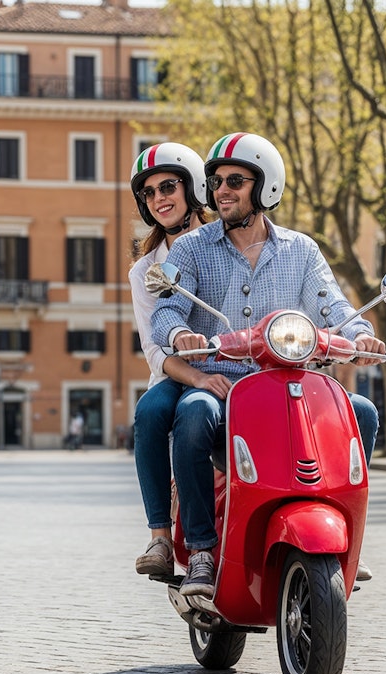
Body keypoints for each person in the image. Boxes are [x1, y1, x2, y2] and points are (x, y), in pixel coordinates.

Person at [150, 132, 383, 596]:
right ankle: (199, 549)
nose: (222, 191)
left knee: (361, 413)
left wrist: (359, 335)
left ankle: (345, 532)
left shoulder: (301, 249)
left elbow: (332, 303)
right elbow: (166, 310)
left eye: (235, 180)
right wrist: (181, 335)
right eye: (216, 182)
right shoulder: (193, 248)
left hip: (289, 383)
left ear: (266, 186)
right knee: (192, 414)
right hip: (223, 383)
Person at [126, 142, 217, 577]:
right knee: (150, 412)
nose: (159, 198)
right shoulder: (144, 269)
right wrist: (198, 378)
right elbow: (154, 350)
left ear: (193, 188)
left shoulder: (224, 243)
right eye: (149, 193)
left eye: (168, 186)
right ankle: (160, 535)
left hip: (231, 366)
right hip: (177, 372)